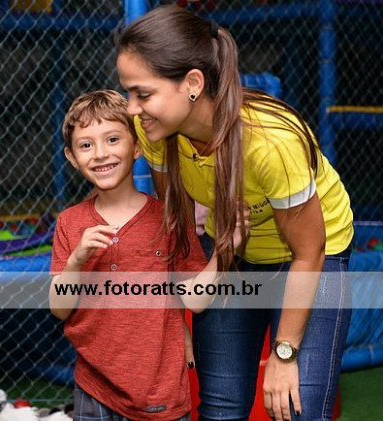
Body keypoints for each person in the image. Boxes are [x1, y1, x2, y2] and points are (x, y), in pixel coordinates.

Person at [115, 6, 354, 421]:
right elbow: (180, 228)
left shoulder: (269, 141)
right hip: (232, 248)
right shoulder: (154, 131)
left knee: (297, 407)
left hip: (313, 256)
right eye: (128, 93)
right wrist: (176, 318)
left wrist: (284, 353)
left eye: (144, 94)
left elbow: (309, 252)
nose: (132, 109)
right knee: (221, 408)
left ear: (193, 84)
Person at [49, 90, 247, 421]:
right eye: (86, 145)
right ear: (71, 156)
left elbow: (195, 300)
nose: (100, 153)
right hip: (94, 387)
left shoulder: (170, 219)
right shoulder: (69, 222)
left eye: (113, 139)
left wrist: (225, 251)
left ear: (138, 146)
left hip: (159, 391)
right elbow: (59, 309)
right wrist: (76, 261)